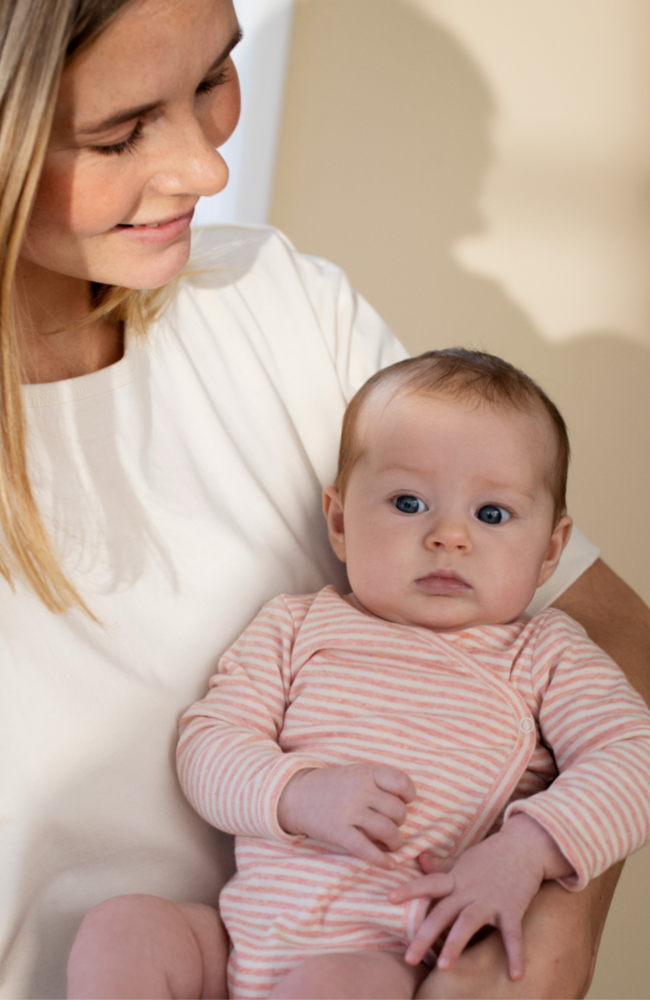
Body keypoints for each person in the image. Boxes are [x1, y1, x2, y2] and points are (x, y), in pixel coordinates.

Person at [0, 0, 647, 997]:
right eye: (120, 132)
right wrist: (293, 792)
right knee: (126, 934)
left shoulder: (270, 300)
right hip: (215, 939)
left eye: (214, 77)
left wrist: (527, 911)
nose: (211, 170)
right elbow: (210, 741)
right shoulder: (297, 631)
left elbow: (626, 668)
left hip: (377, 955)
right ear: (336, 516)